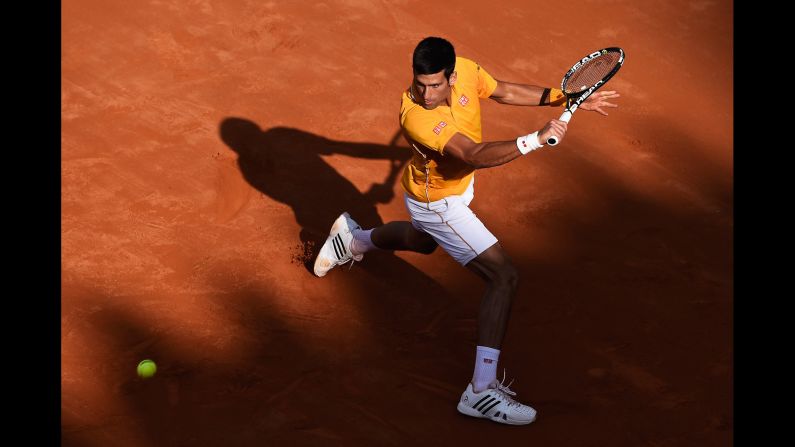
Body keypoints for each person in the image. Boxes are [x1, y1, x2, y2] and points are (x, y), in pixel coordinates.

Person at [313, 37, 620, 425]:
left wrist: (565, 97)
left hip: (447, 191)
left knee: (423, 241)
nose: (425, 94)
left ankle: (352, 239)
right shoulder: (417, 116)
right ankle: (481, 391)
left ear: (453, 75)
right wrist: (534, 140)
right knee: (503, 277)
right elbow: (472, 155)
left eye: (436, 85)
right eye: (419, 84)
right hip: (439, 204)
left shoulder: (469, 71)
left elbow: (504, 91)